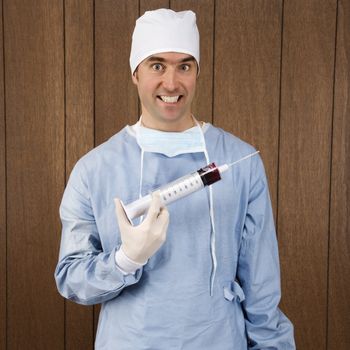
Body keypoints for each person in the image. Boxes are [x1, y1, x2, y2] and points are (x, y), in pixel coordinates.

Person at [55, 8, 295, 350]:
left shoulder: (241, 163)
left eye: (184, 66)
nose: (171, 83)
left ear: (197, 72)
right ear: (135, 73)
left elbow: (262, 287)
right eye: (157, 66)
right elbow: (71, 279)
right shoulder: (95, 169)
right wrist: (126, 260)